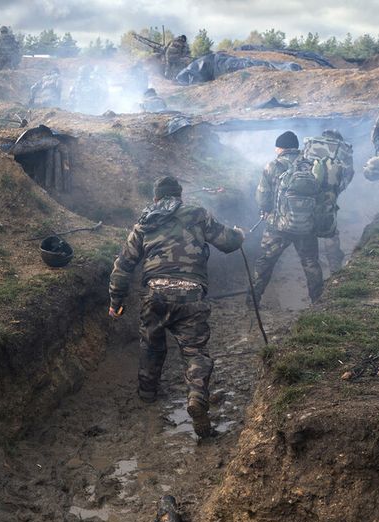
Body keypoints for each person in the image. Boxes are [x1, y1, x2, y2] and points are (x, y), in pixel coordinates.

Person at [108, 176, 245, 438]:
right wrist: (240, 234)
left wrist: (116, 302)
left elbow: (123, 266)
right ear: (179, 196)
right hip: (191, 294)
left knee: (151, 344)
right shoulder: (198, 214)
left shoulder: (144, 223)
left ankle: (147, 394)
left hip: (154, 294)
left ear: (156, 198)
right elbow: (228, 242)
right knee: (194, 352)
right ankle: (196, 397)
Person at [252, 131, 324, 306]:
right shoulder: (311, 165)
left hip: (278, 227)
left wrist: (266, 211)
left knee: (265, 262)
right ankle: (319, 302)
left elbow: (262, 196)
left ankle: (252, 301)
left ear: (280, 148)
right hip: (306, 226)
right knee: (310, 263)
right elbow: (320, 195)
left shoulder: (273, 166)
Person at [303, 129, 354, 272]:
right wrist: (336, 191)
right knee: (330, 232)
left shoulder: (310, 144)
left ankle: (312, 263)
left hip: (306, 193)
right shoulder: (343, 149)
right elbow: (348, 174)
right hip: (328, 196)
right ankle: (334, 268)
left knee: (308, 228)